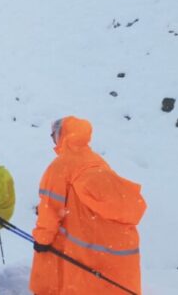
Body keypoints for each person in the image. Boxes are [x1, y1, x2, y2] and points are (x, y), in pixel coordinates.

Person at [30, 116, 146, 295]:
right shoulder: (97, 161)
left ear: (62, 135)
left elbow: (50, 209)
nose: (53, 139)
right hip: (113, 244)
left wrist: (42, 239)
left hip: (82, 244)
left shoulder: (60, 166)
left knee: (75, 285)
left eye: (53, 135)